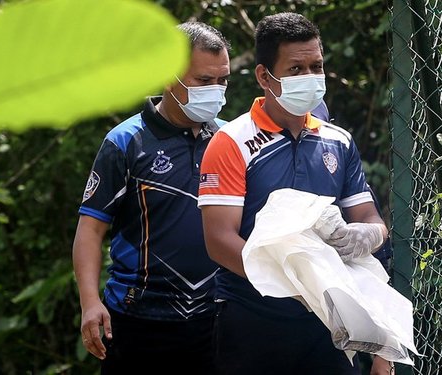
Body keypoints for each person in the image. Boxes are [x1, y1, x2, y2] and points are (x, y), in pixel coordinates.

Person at [197, 12, 394, 375]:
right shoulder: (230, 142)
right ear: (263, 77)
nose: (311, 78)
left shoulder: (339, 140)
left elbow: (369, 218)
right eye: (296, 69)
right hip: (254, 320)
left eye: (316, 66)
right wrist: (294, 281)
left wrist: (369, 235)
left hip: (330, 322)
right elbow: (219, 240)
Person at [71, 21, 230, 374]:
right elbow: (91, 228)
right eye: (205, 81)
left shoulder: (228, 138)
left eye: (223, 81)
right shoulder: (126, 141)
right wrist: (89, 302)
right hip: (136, 321)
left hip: (212, 318)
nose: (217, 92)